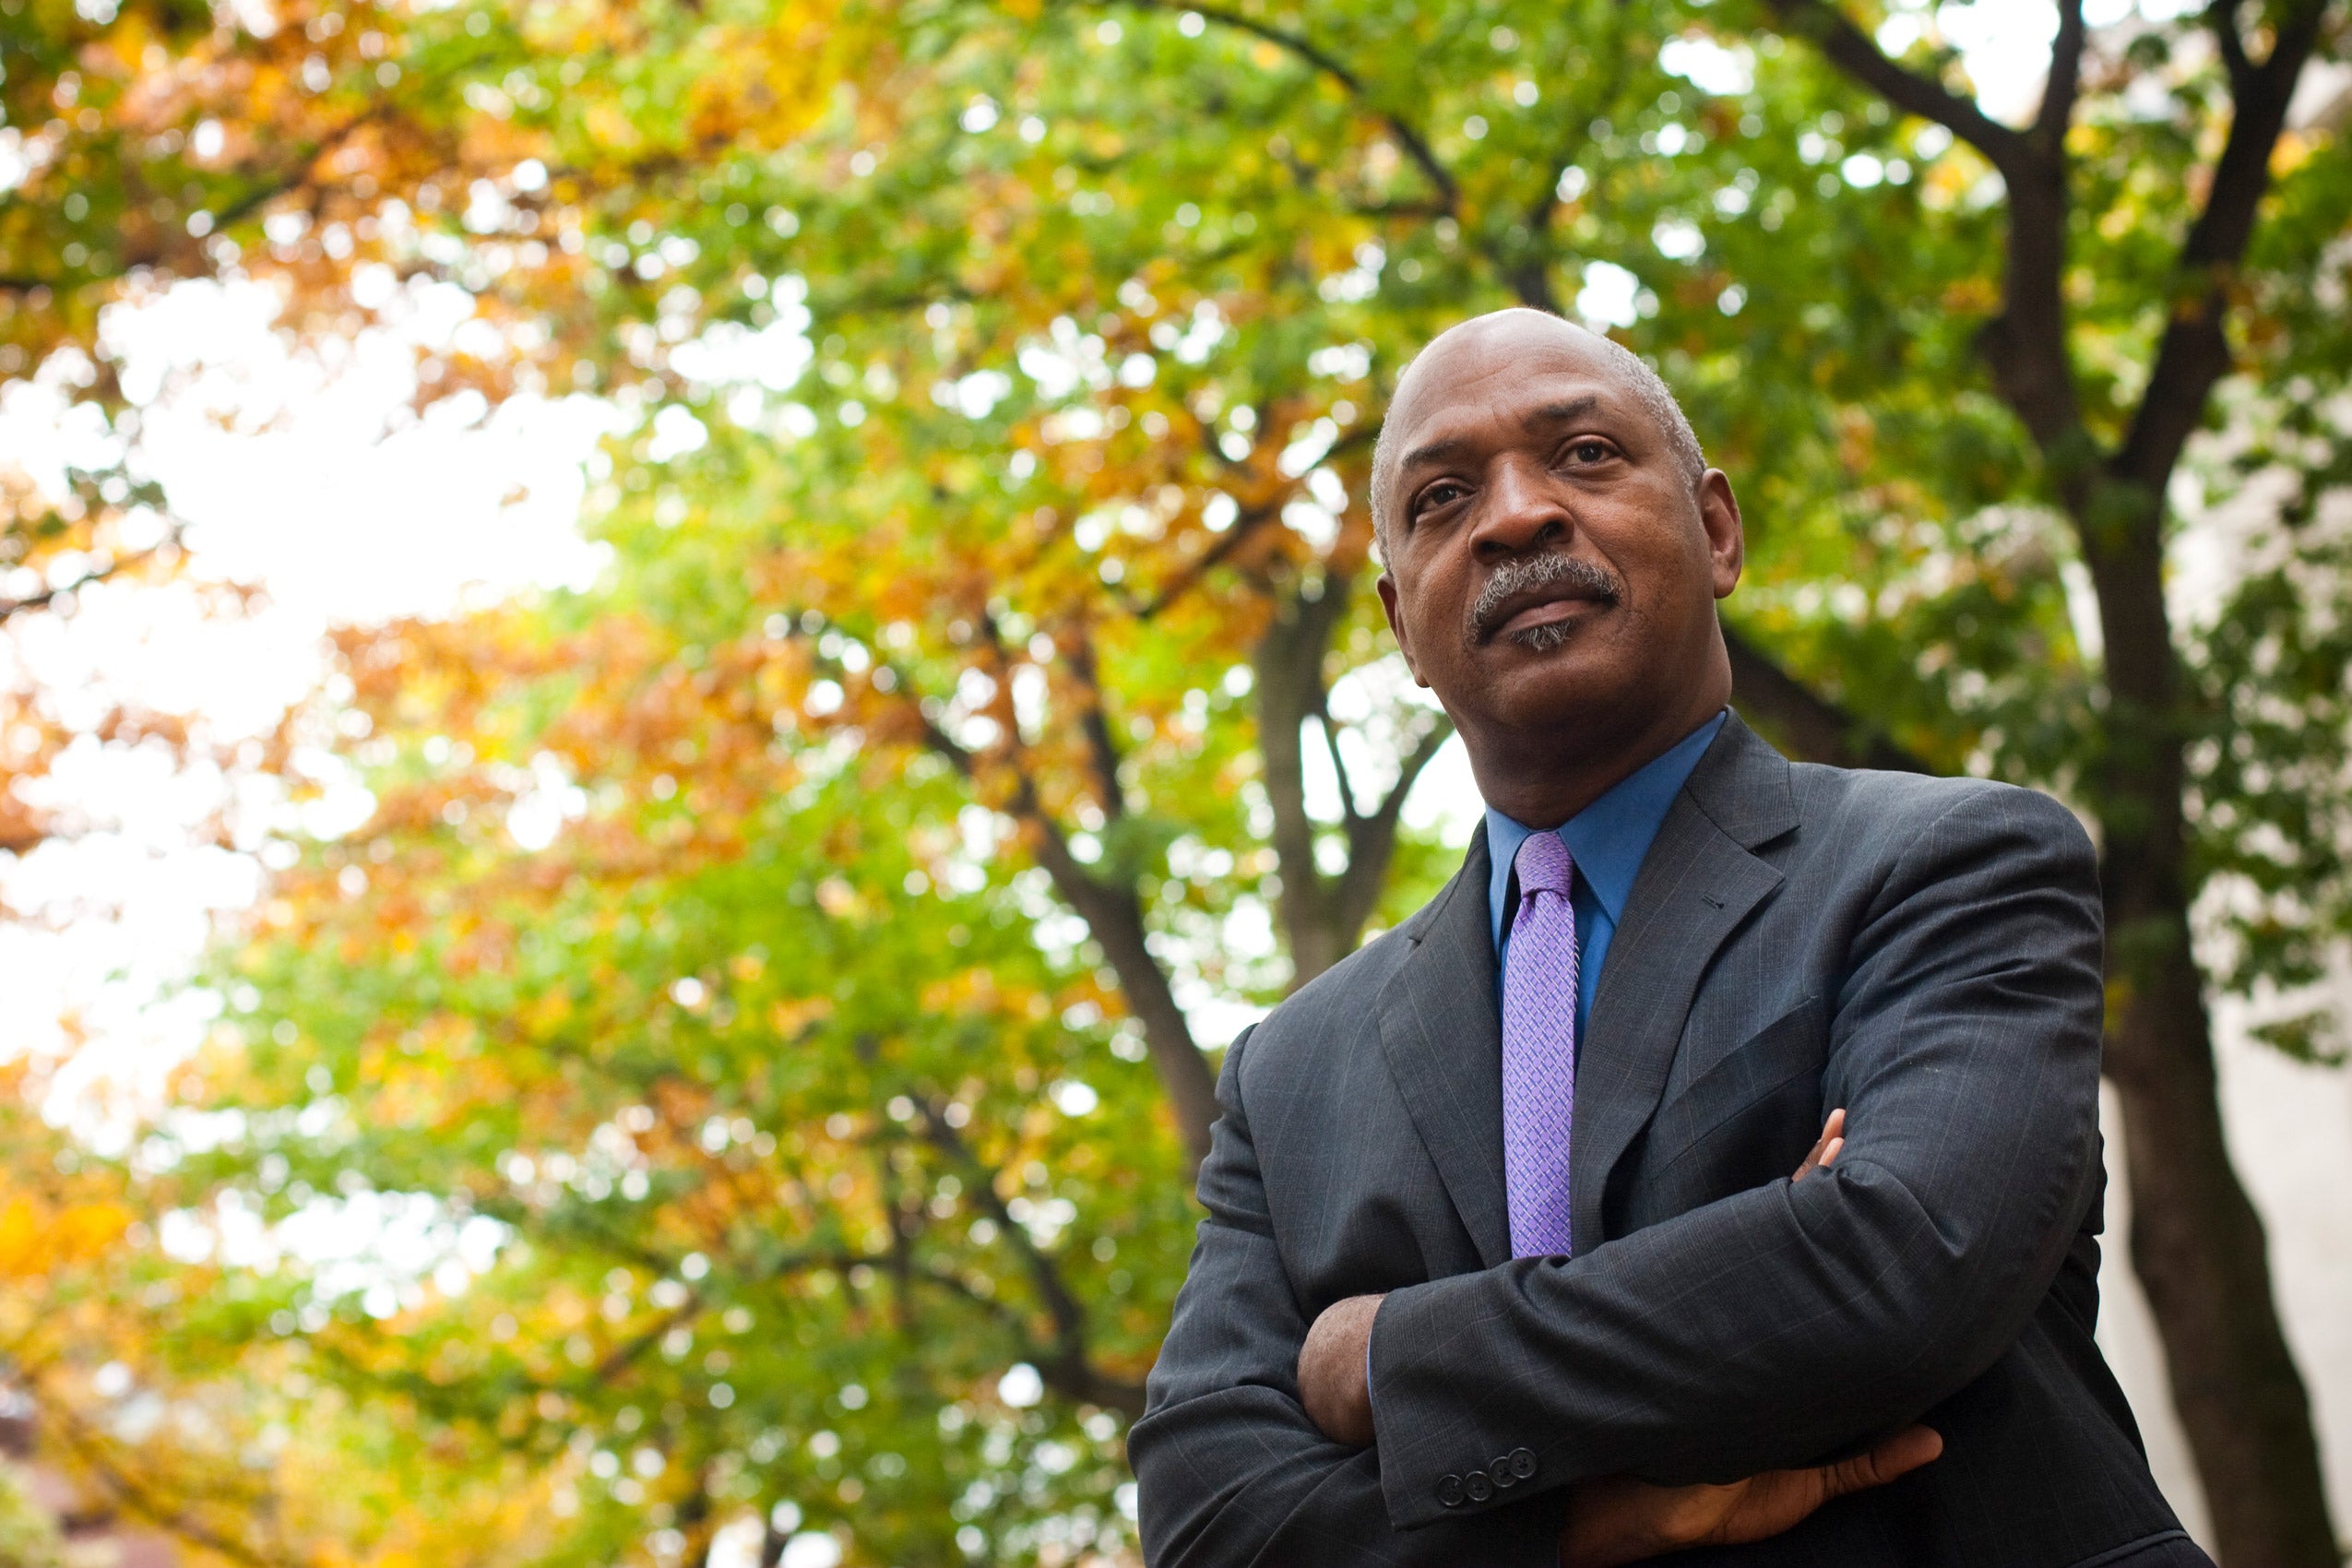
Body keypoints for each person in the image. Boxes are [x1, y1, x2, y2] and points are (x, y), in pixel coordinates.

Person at [1126, 309, 2211, 1566]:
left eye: (1583, 453)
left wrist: (1381, 1357)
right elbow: (1209, 1522)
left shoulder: (1951, 863)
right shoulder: (1288, 1074)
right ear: (1398, 627)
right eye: (1439, 497)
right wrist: (1582, 1525)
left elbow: (1896, 1270)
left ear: (1716, 530)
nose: (1514, 516)